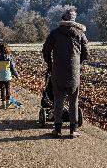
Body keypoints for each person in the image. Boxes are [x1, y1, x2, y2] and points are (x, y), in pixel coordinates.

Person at [42, 8, 89, 138]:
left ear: (63, 19)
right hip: (74, 72)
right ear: (74, 20)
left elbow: (46, 50)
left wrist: (50, 63)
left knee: (58, 99)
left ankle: (57, 129)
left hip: (58, 71)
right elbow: (86, 53)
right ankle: (73, 130)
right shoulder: (80, 34)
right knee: (74, 100)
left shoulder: (55, 33)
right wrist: (79, 64)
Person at [0, 43, 19, 109]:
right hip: (8, 76)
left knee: (2, 89)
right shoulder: (9, 57)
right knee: (8, 89)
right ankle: (8, 103)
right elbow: (12, 67)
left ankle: (3, 104)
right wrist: (16, 75)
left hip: (0, 76)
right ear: (7, 49)